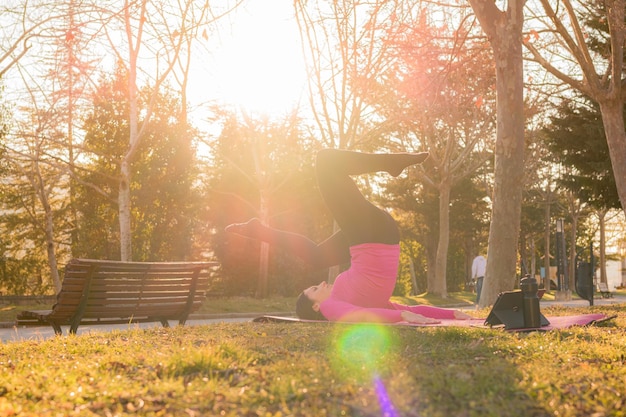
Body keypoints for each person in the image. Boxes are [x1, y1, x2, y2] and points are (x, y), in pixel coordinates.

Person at [226, 149, 471, 324]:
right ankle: (389, 163)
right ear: (316, 306)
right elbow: (363, 317)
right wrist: (401, 316)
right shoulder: (331, 307)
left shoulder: (357, 300)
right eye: (314, 288)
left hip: (377, 235)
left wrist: (451, 314)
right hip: (371, 234)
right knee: (325, 161)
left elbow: (408, 308)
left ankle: (258, 230)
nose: (321, 283)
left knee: (317, 257)